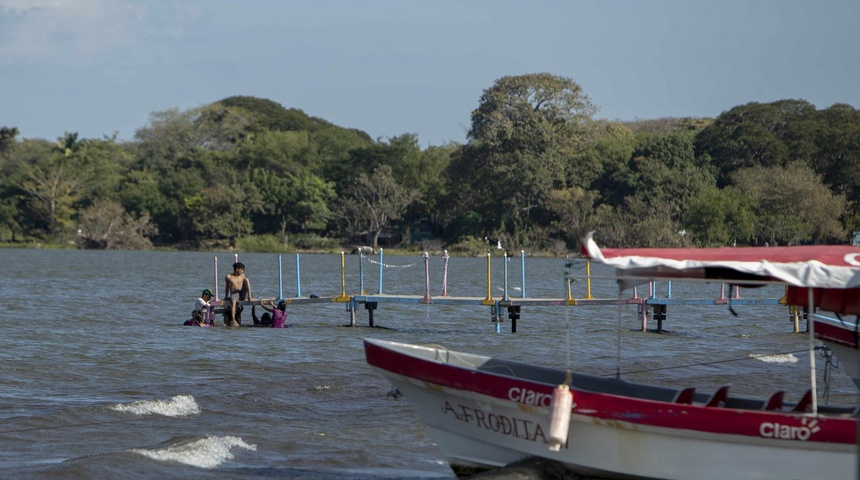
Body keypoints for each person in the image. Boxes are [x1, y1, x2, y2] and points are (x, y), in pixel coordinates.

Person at [224, 262, 253, 327]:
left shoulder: (242, 276)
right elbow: (227, 287)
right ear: (237, 269)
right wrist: (226, 297)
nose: (242, 271)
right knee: (233, 301)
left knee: (247, 280)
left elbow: (245, 285)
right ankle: (233, 320)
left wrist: (249, 296)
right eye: (241, 269)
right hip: (234, 293)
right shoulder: (229, 277)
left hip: (242, 293)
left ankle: (249, 297)